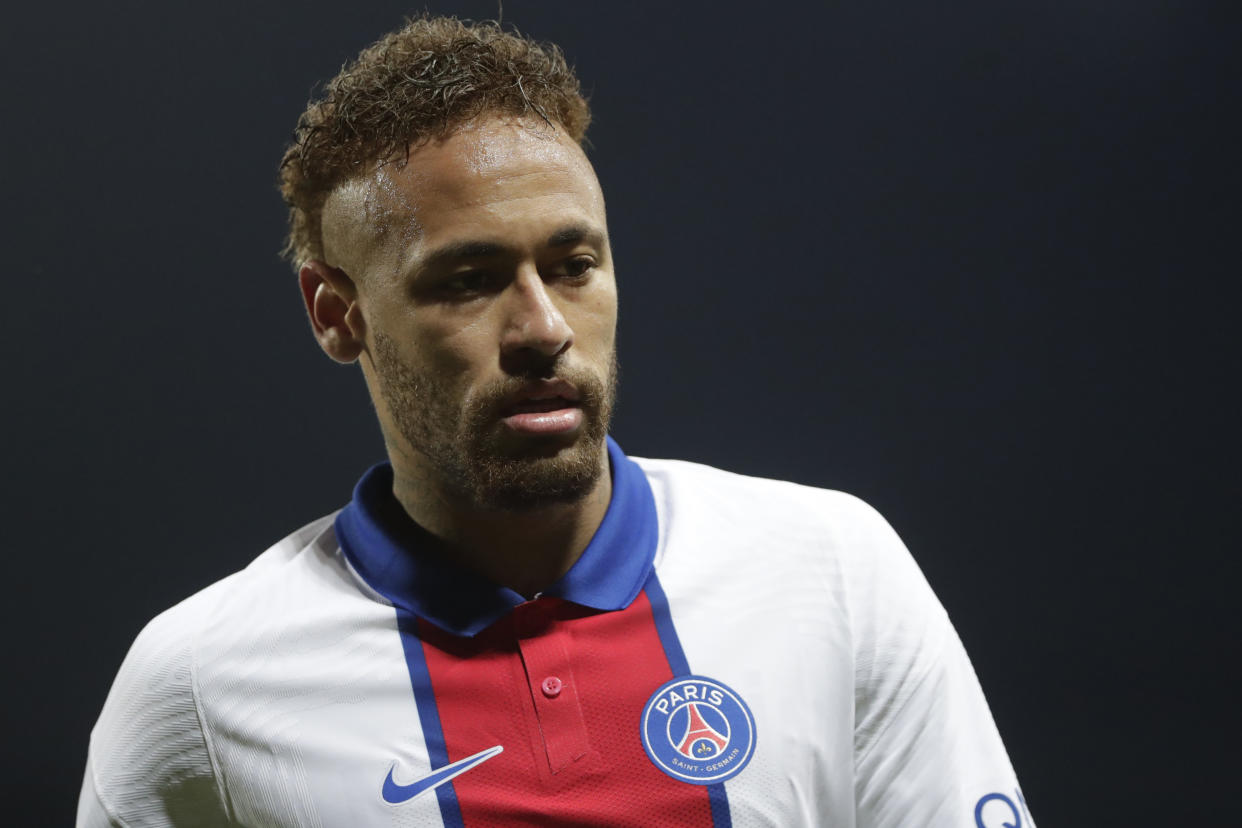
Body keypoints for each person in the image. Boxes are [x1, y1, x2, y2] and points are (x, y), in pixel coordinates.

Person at [79, 15, 1034, 828]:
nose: (542, 328)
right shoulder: (199, 687)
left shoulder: (829, 571)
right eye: (468, 280)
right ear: (338, 314)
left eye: (573, 265)